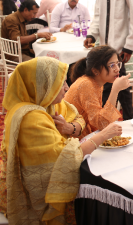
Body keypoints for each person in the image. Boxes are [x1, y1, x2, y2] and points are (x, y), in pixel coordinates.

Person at [0, 57, 122, 224]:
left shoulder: (48, 102)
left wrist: (70, 128)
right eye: (60, 83)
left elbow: (78, 117)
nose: (66, 88)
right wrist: (101, 136)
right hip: (35, 195)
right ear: (43, 85)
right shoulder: (30, 118)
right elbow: (65, 158)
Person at [65, 45, 131, 138]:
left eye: (117, 63)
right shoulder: (86, 84)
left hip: (83, 130)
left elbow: (97, 121)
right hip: (73, 136)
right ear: (95, 71)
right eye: (112, 65)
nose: (117, 69)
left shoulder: (95, 82)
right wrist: (115, 90)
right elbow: (101, 123)